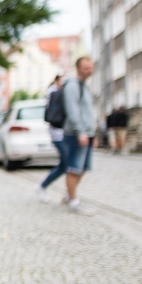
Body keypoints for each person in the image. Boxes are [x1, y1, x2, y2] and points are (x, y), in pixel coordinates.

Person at [60, 57, 97, 215]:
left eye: (91, 67)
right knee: (74, 168)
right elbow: (73, 111)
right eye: (86, 68)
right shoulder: (73, 86)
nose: (90, 71)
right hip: (75, 134)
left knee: (82, 168)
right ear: (78, 68)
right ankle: (73, 202)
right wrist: (81, 132)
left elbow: (87, 112)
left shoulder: (84, 86)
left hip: (86, 133)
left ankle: (69, 195)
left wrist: (92, 134)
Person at [35, 74, 67, 202]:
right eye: (62, 80)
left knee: (65, 165)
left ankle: (68, 193)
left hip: (61, 133)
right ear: (56, 80)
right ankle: (42, 186)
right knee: (66, 164)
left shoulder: (54, 92)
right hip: (58, 133)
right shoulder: (54, 92)